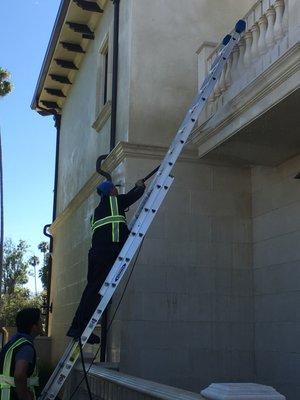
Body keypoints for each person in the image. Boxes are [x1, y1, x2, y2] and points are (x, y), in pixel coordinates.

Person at [67, 179, 146, 344]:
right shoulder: (114, 202)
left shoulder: (96, 212)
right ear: (110, 192)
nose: (117, 192)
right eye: (115, 190)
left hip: (96, 254)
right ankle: (78, 327)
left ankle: (79, 326)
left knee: (92, 290)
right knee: (94, 291)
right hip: (107, 252)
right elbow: (134, 195)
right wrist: (139, 186)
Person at [0, 308, 42, 400]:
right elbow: (19, 375)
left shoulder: (13, 342)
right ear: (34, 326)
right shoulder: (26, 347)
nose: (42, 324)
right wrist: (25, 396)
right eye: (40, 321)